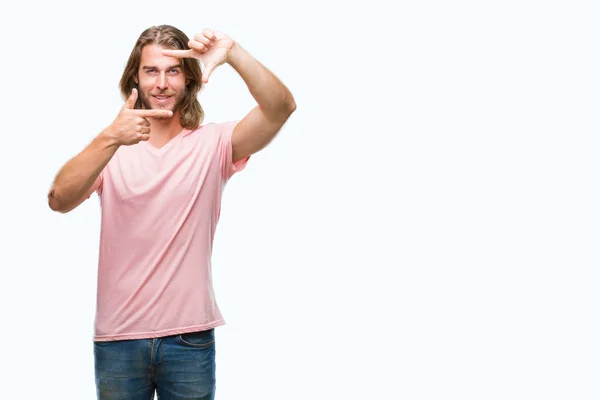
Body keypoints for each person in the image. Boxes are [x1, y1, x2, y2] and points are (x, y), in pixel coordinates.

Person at [47, 24, 296, 400]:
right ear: (136, 76)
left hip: (189, 339)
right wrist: (110, 137)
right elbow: (58, 200)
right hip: (119, 340)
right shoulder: (111, 149)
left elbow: (281, 108)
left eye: (173, 71)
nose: (162, 83)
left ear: (189, 78)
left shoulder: (214, 144)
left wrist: (233, 53)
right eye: (152, 70)